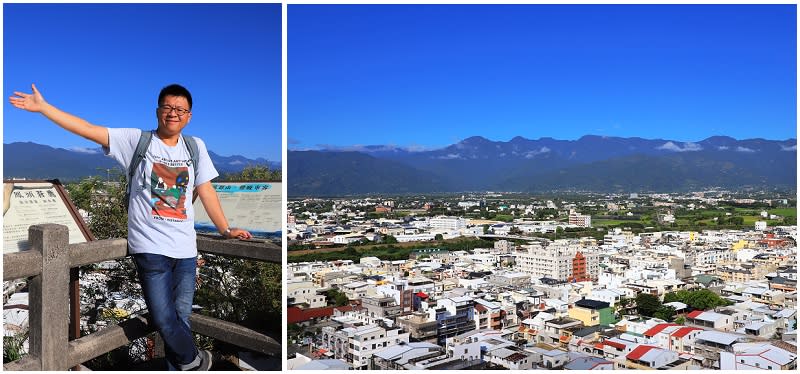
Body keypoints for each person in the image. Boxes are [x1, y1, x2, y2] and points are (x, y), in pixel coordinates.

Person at [9, 83, 252, 370]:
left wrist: (225, 229)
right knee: (164, 318)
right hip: (150, 248)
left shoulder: (195, 147)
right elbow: (87, 128)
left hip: (186, 250)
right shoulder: (137, 141)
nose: (173, 113)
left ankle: (186, 365)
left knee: (181, 320)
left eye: (180, 109)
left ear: (189, 116)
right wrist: (44, 108)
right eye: (167, 107)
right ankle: (197, 361)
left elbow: (206, 190)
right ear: (158, 111)